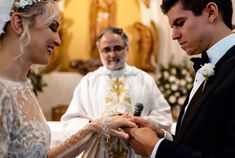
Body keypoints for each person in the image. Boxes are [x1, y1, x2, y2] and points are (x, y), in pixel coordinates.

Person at [0, 0, 137, 157]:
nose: (58, 41)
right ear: (19, 23)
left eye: (117, 48)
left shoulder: (22, 88)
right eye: (52, 27)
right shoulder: (2, 92)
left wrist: (98, 125)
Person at [126, 0, 235, 158]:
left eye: (180, 23)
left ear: (211, 12)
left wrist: (157, 149)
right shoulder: (209, 63)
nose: (174, 35)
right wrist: (163, 137)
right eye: (172, 27)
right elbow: (204, 143)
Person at [61, 27, 172, 157]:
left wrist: (140, 123)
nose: (112, 55)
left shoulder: (143, 79)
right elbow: (71, 121)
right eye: (106, 50)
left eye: (117, 48)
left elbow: (163, 117)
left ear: (127, 48)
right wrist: (97, 125)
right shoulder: (89, 81)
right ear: (100, 52)